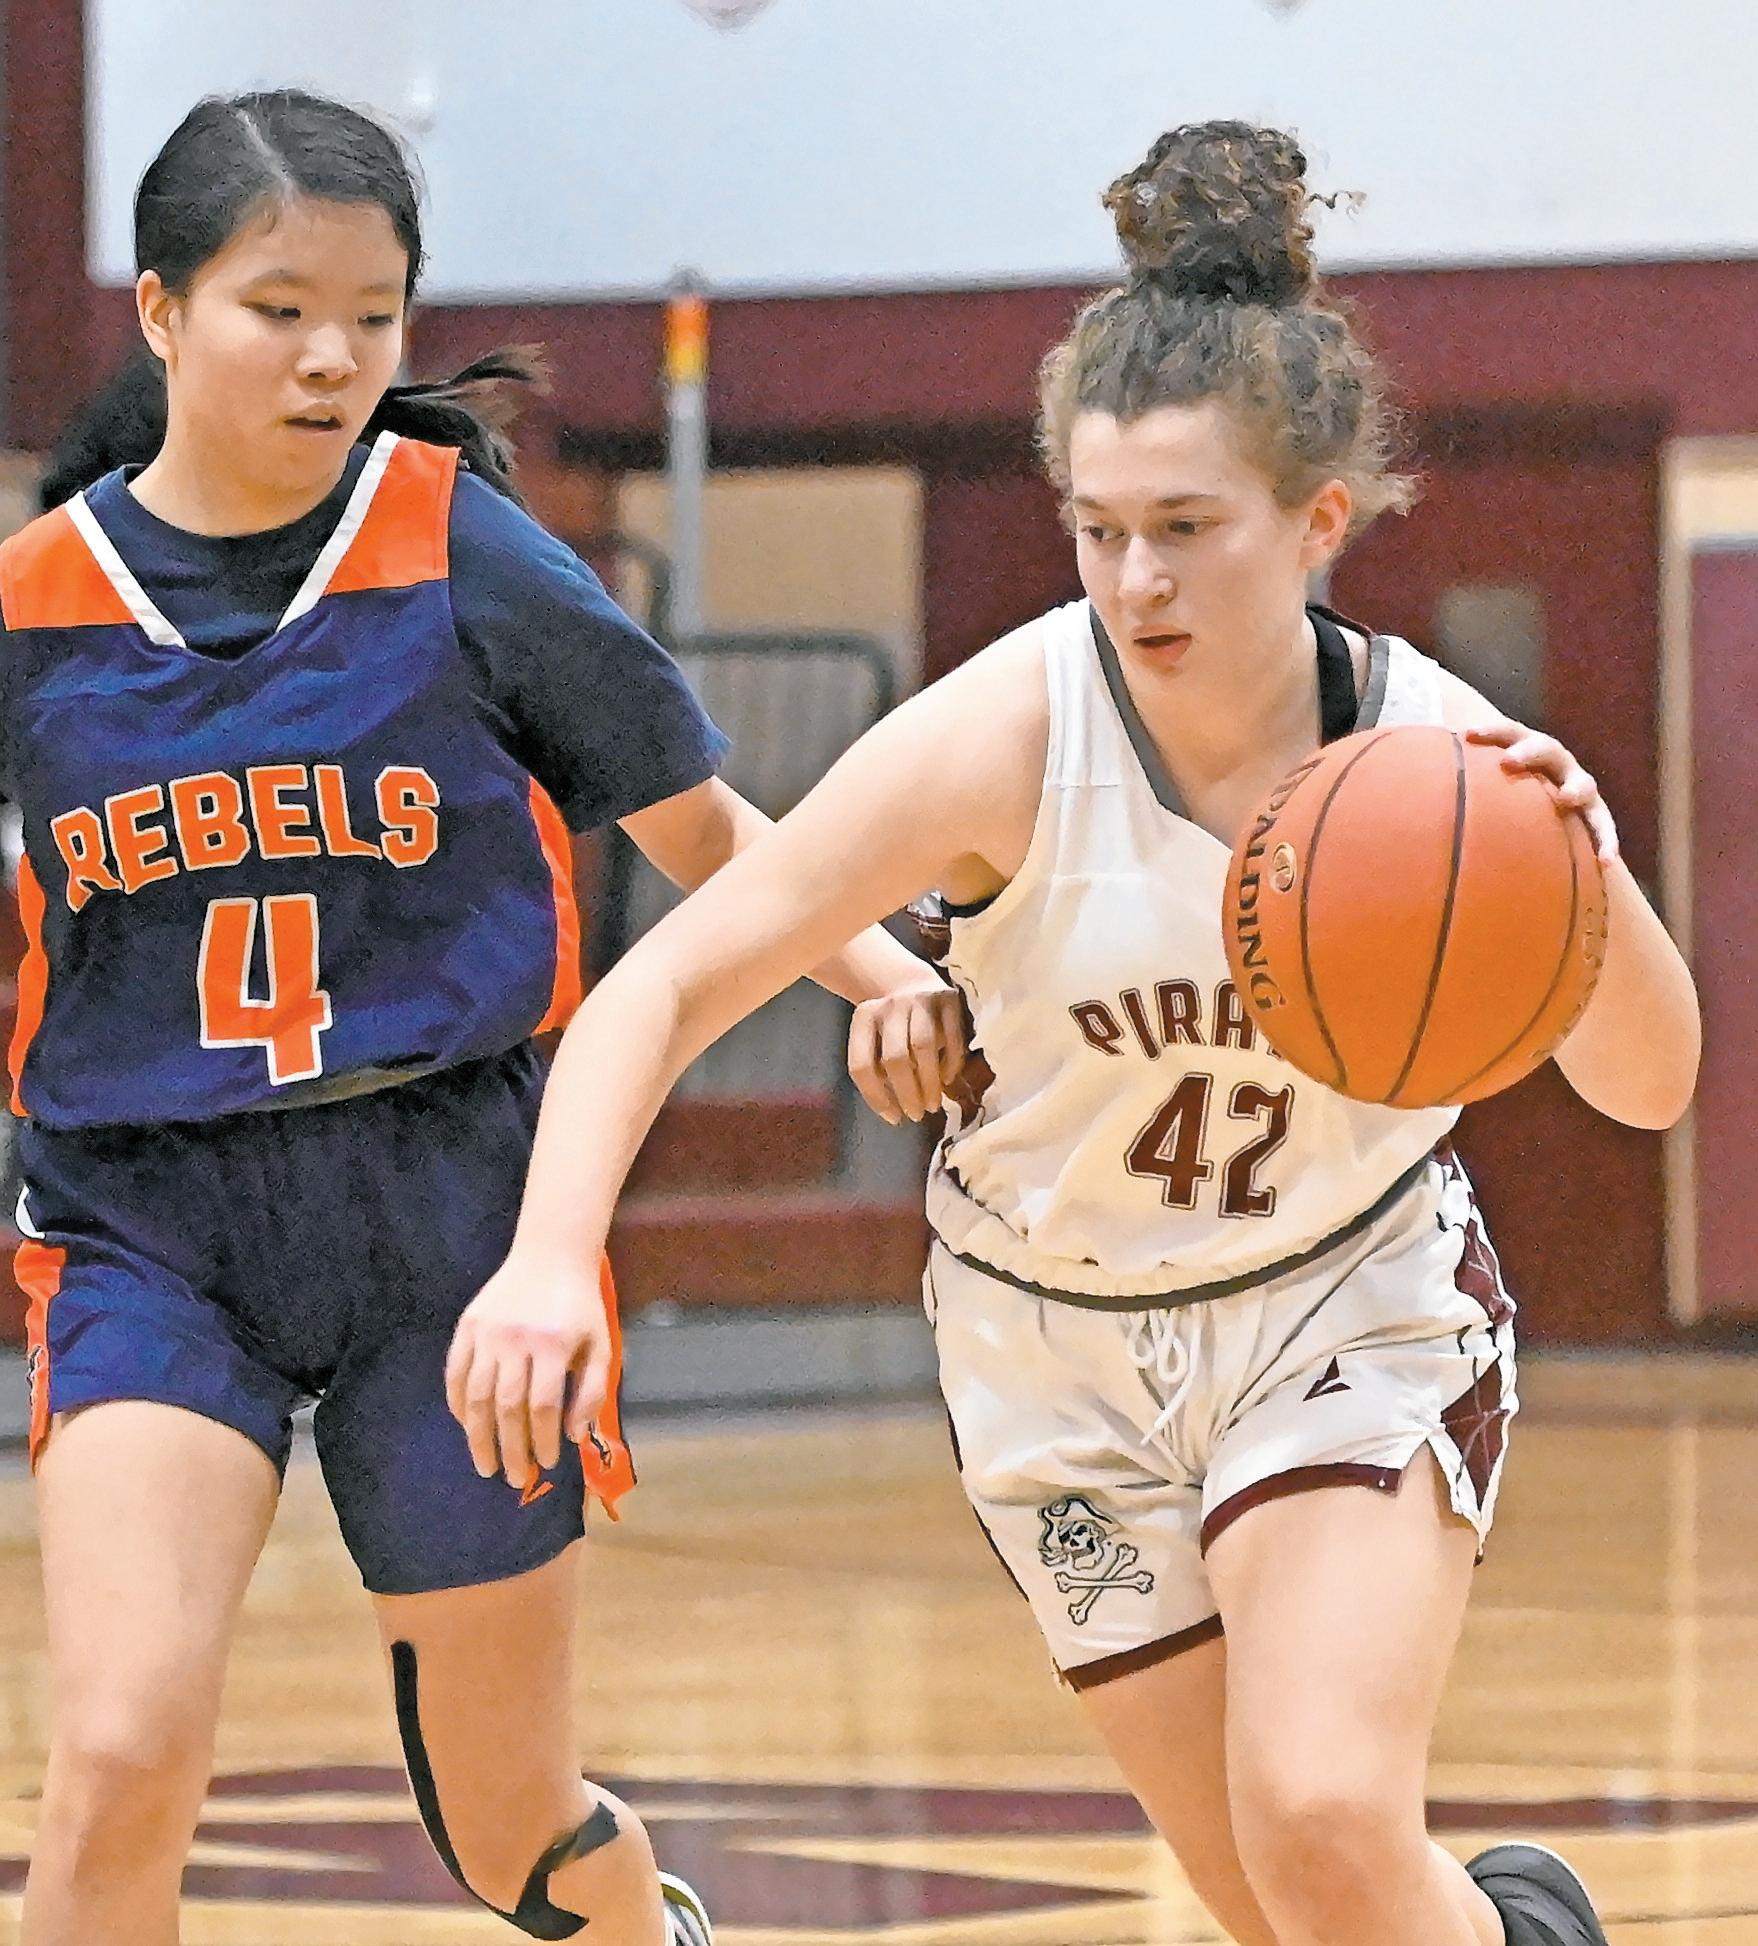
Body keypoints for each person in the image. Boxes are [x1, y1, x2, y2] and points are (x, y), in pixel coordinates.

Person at [451, 121, 1701, 1946]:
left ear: (1318, 522)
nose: (1136, 581)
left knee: (1322, 1813)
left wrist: (1586, 874)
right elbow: (667, 982)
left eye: (1185, 529)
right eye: (1098, 531)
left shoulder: (1436, 759)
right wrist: (551, 1254)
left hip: (1338, 1302)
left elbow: (1649, 1084)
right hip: (1050, 1350)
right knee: (1270, 1899)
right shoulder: (1010, 731)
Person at [8, 88, 954, 1946]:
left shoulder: (459, 549)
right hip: (146, 1218)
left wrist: (891, 971)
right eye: (280, 309)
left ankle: (643, 1922)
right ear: (160, 311)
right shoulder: (38, 608)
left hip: (450, 1209)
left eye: (372, 315)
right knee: (116, 1750)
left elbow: (703, 831)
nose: (332, 356)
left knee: (507, 1819)